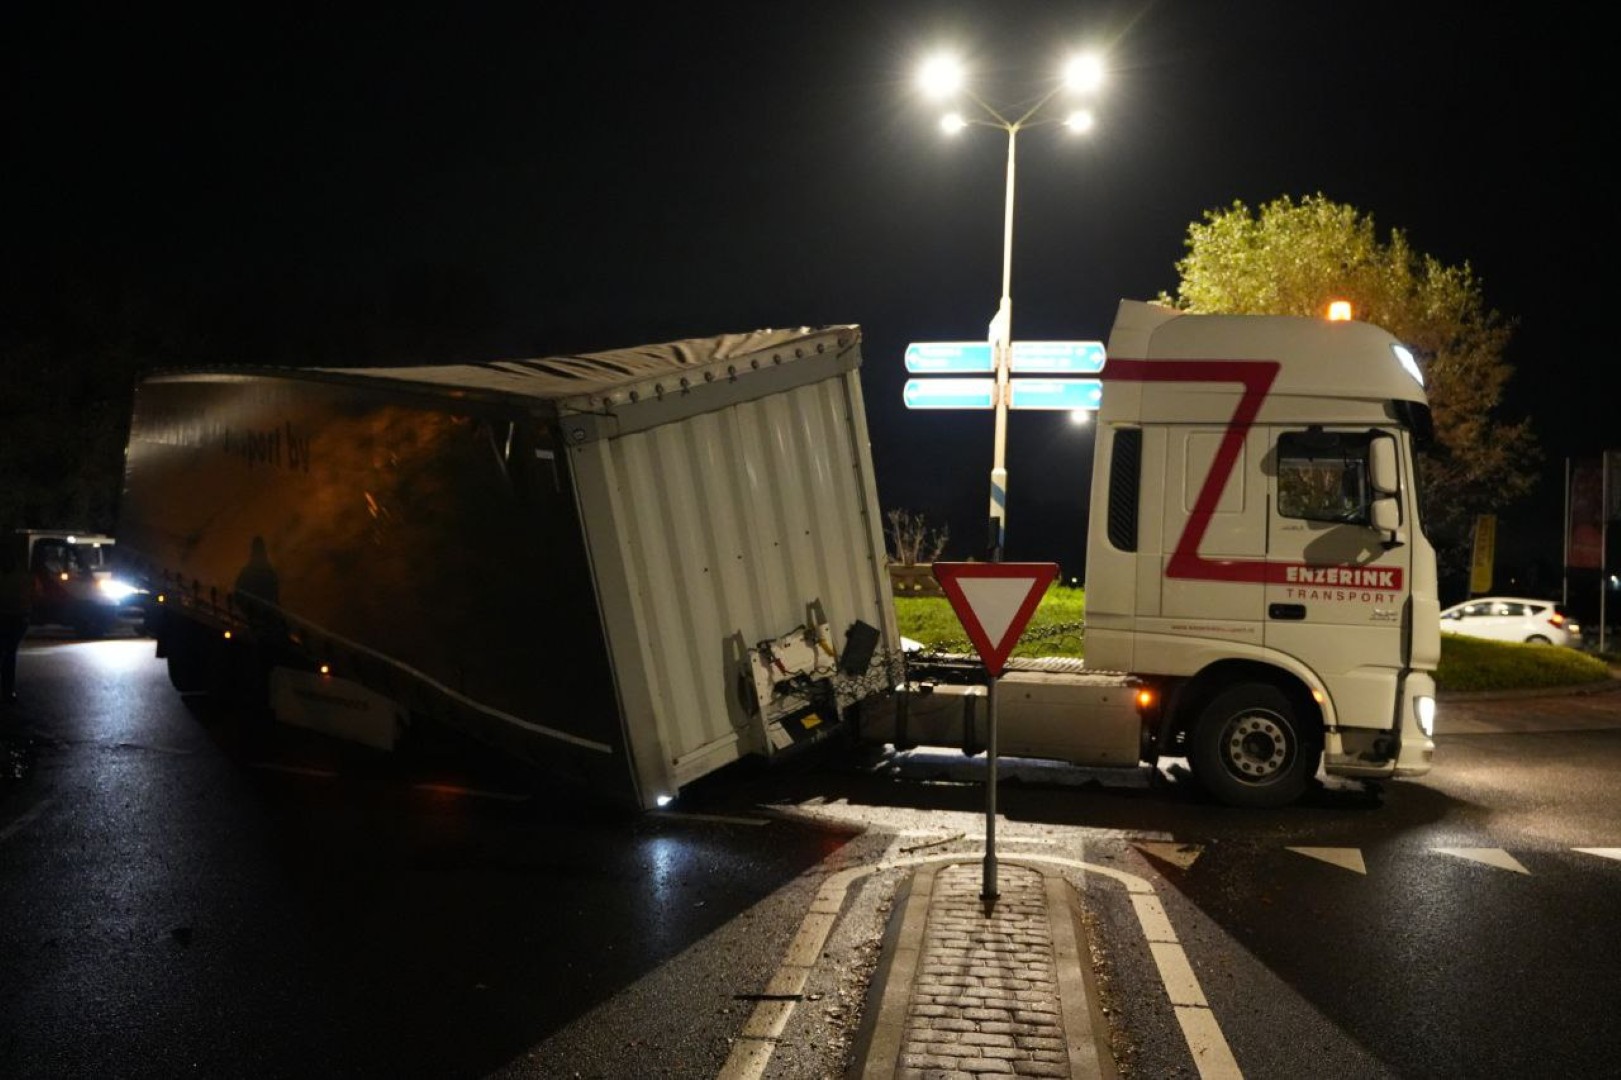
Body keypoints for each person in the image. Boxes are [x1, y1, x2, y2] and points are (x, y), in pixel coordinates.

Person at [0, 536, 33, 705]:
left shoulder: (19, 576)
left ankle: (7, 690)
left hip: (14, 618)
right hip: (14, 617)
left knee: (9, 654)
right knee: (9, 654)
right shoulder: (21, 575)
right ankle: (7, 691)